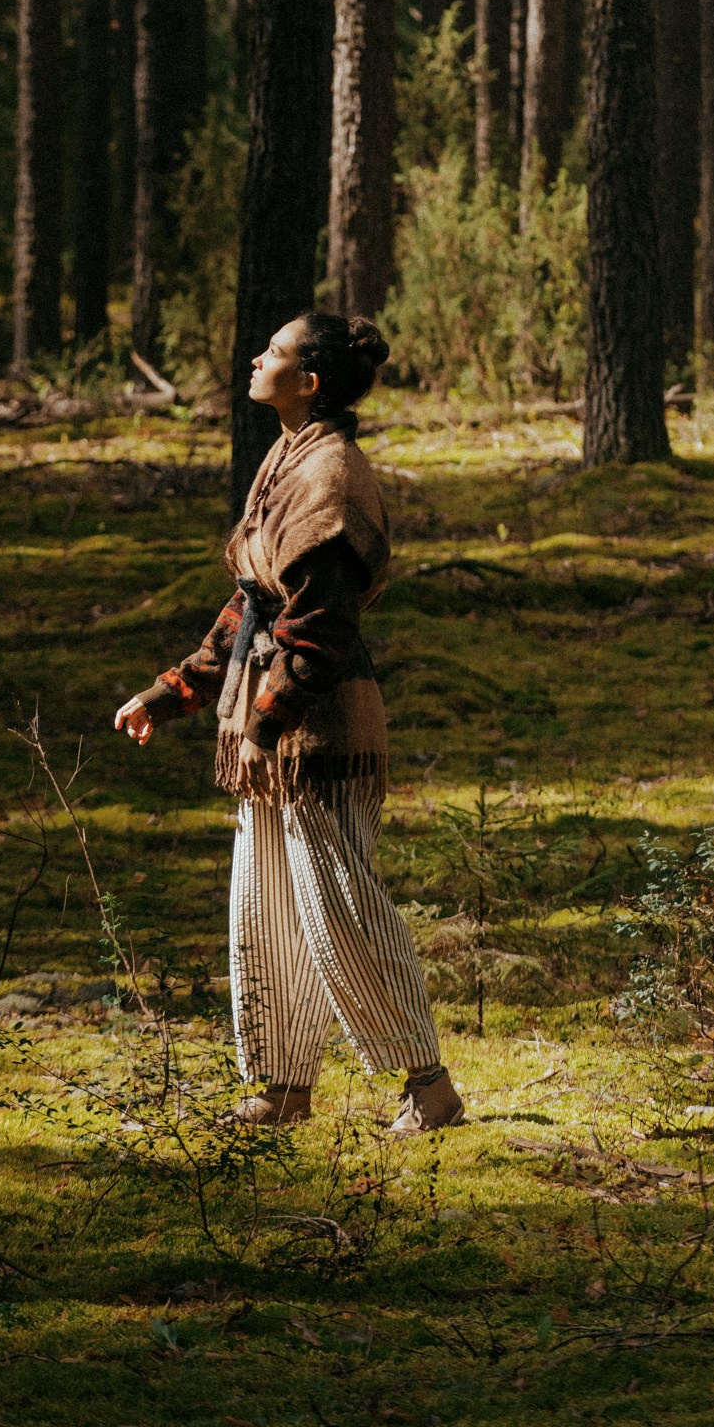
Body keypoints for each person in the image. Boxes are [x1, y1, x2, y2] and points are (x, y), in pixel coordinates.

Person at [114, 311, 463, 1137]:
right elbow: (253, 603)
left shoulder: (332, 476)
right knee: (264, 908)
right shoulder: (288, 454)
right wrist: (173, 691)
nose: (254, 357)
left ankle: (430, 1089)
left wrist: (270, 720)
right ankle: (280, 1089)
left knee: (340, 905)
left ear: (308, 382)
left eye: (272, 351)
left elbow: (319, 629)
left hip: (322, 727)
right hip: (268, 726)